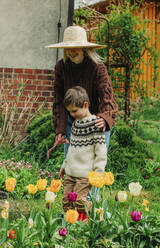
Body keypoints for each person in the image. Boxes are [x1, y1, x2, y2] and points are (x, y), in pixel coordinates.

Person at [46, 25, 118, 156]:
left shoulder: (97, 67)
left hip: (96, 120)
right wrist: (60, 128)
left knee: (96, 163)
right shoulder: (61, 67)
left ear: (84, 48)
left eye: (75, 48)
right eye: (68, 49)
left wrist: (106, 117)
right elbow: (58, 100)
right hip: (71, 121)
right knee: (71, 162)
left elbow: (107, 97)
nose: (71, 52)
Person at [59, 86, 107, 216]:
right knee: (66, 202)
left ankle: (99, 215)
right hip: (70, 173)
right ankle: (71, 228)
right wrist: (65, 165)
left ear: (85, 105)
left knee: (80, 202)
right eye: (69, 112)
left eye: (74, 111)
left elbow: (101, 152)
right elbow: (72, 149)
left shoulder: (95, 124)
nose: (71, 115)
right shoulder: (75, 124)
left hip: (85, 175)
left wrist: (98, 173)